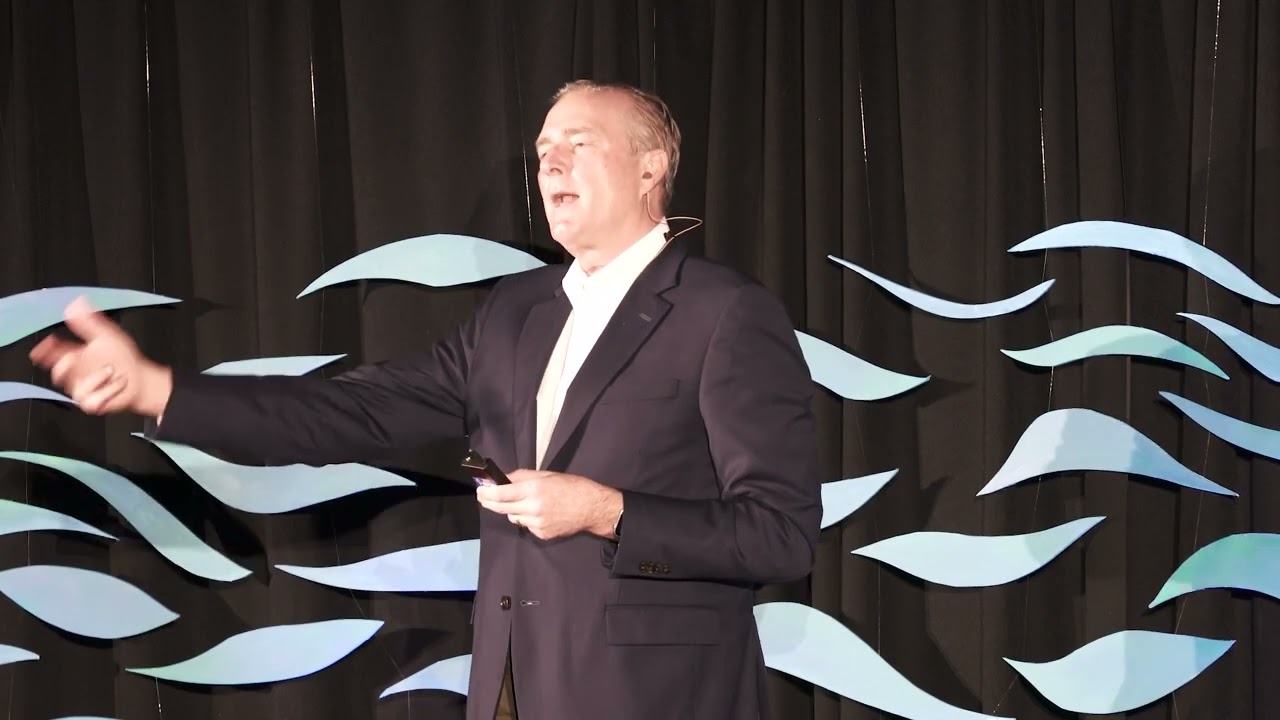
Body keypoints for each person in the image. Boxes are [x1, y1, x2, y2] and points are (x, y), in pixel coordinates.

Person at [30, 80, 822, 720]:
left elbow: (780, 536)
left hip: (655, 697)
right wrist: (159, 389)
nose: (550, 164)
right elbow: (352, 413)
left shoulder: (725, 313)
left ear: (651, 168)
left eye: (579, 144)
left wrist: (607, 511)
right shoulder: (515, 311)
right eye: (543, 150)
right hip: (508, 689)